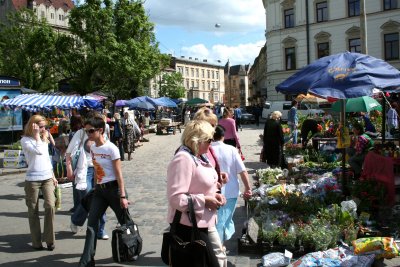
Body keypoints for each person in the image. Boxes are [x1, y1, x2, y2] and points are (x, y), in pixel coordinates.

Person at [166, 120, 224, 267]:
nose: (212, 143)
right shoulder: (183, 159)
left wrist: (215, 193)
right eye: (209, 140)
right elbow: (175, 198)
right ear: (196, 140)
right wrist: (205, 200)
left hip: (202, 223)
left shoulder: (199, 156)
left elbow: (200, 184)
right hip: (188, 226)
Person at [78, 116, 129, 267]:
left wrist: (123, 195)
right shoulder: (93, 147)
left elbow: (119, 174)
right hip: (100, 191)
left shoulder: (111, 149)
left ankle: (131, 247)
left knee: (126, 222)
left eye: (91, 131)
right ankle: (86, 261)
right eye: (86, 131)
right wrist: (94, 189)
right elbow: (96, 170)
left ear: (100, 130)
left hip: (114, 189)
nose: (88, 134)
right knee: (91, 224)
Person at [66, 113, 108, 241]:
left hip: (99, 169)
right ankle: (76, 219)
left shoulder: (104, 134)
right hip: (86, 169)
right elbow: (69, 152)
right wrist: (69, 168)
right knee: (88, 197)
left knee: (102, 198)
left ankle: (100, 229)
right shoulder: (81, 133)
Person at [21, 115, 58, 251]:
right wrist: (37, 136)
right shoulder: (25, 140)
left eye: (45, 127)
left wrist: (53, 175)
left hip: (47, 177)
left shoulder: (44, 138)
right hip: (32, 179)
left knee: (50, 206)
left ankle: (49, 239)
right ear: (33, 126)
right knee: (33, 210)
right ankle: (36, 242)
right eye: (41, 126)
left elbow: (47, 159)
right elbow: (38, 152)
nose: (44, 129)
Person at [212, 125, 252, 244]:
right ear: (223, 136)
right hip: (230, 191)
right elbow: (242, 171)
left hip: (213, 193)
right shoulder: (231, 149)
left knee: (217, 222)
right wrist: (248, 188)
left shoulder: (207, 149)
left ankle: (218, 246)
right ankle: (219, 248)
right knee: (223, 222)